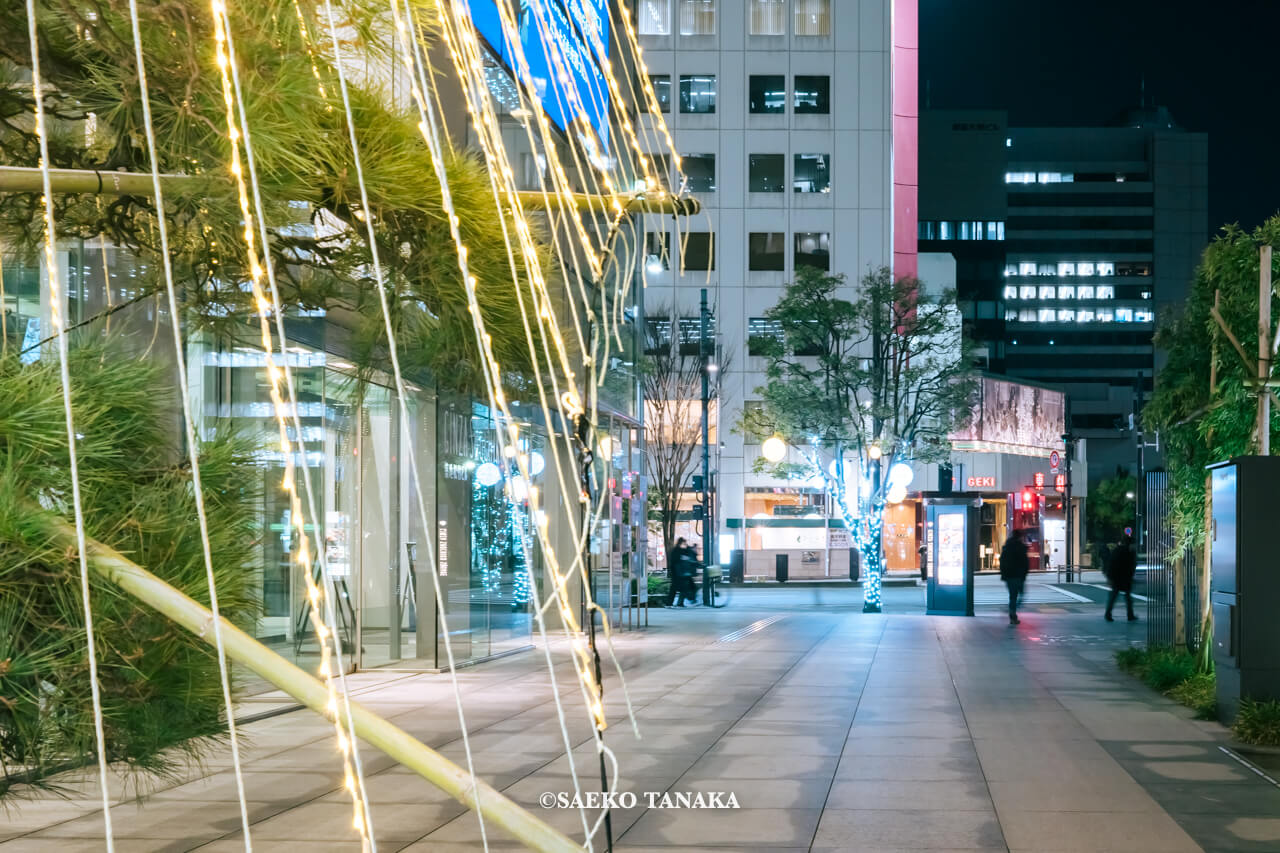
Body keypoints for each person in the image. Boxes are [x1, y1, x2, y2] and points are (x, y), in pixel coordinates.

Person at [999, 528, 1030, 625]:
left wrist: (1004, 574)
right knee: (1021, 594)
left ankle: (1012, 613)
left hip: (1009, 576)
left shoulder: (1007, 547)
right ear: (1020, 537)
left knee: (1013, 596)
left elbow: (1002, 561)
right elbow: (1025, 563)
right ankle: (1012, 611)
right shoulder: (1020, 547)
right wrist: (1024, 574)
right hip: (1018, 575)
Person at [1105, 534, 1139, 622]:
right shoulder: (1129, 552)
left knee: (1114, 596)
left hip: (1117, 578)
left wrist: (1109, 577)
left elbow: (1111, 564)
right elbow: (1131, 566)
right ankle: (1130, 615)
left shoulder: (1117, 550)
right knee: (1127, 597)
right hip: (1124, 578)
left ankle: (1108, 614)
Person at [669, 538, 697, 607]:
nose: (685, 545)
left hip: (680, 572)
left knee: (681, 587)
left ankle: (678, 603)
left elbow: (688, 556)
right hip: (678, 573)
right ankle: (672, 603)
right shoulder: (677, 551)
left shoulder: (680, 550)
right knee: (677, 587)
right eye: (684, 543)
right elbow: (678, 561)